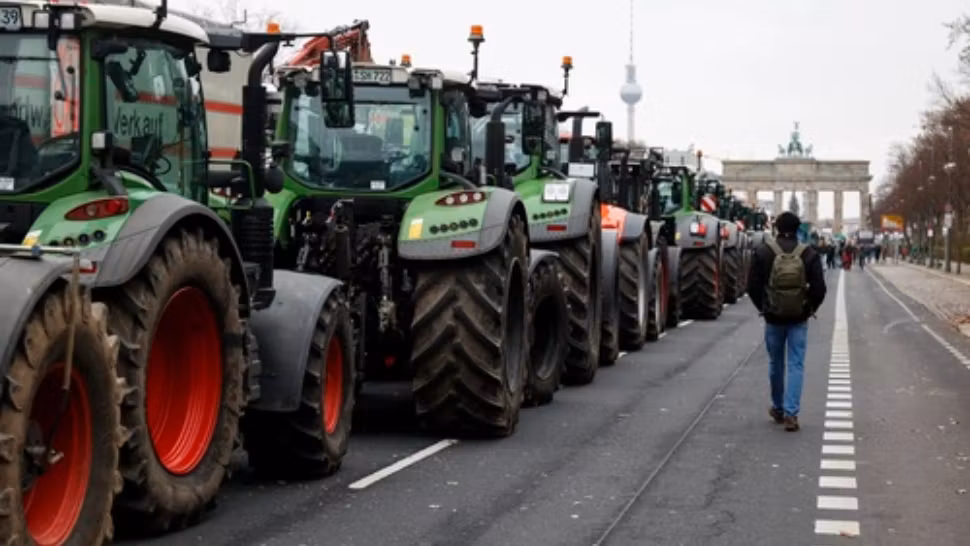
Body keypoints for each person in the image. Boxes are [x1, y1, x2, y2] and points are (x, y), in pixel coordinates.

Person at [747, 211, 827, 432]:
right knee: (796, 363)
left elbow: (752, 286)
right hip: (798, 317)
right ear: (798, 229)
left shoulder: (764, 252)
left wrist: (764, 308)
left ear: (776, 228)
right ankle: (792, 414)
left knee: (775, 363)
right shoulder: (808, 253)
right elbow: (820, 288)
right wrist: (808, 308)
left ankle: (778, 407)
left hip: (773, 317)